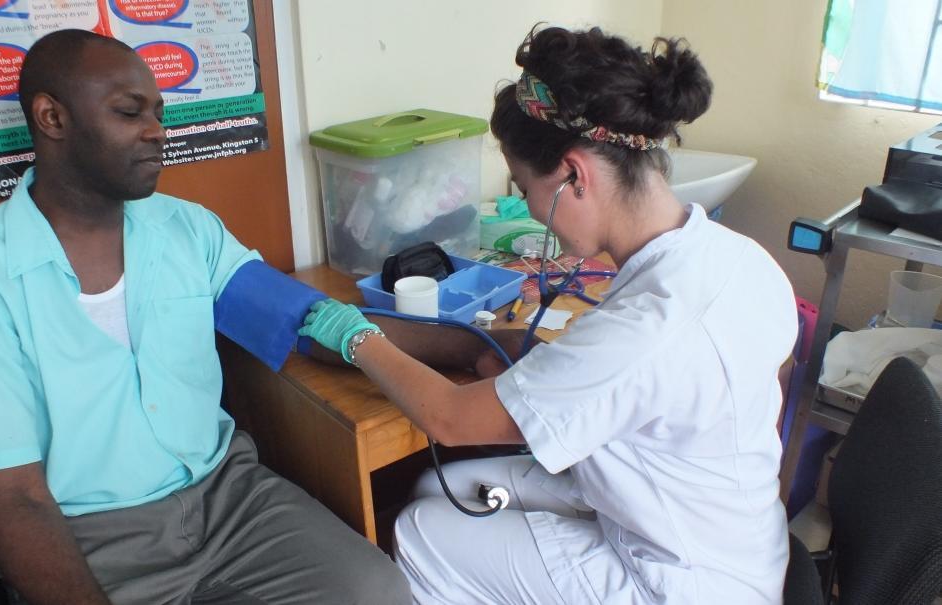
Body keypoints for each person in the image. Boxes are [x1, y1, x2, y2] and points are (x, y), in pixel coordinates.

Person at [299, 26, 798, 604]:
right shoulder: (735, 257)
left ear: (573, 175)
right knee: (441, 484)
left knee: (420, 531)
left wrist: (356, 336)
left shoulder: (650, 327)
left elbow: (454, 421)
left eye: (525, 187)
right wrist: (481, 351)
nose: (533, 210)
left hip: (680, 580)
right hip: (735, 537)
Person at [0, 29, 413, 605]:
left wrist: (464, 344)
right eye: (130, 112)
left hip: (229, 499)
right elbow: (15, 500)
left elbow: (304, 320)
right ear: (52, 118)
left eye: (158, 112)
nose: (157, 132)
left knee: (376, 591)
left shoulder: (185, 229)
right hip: (88, 536)